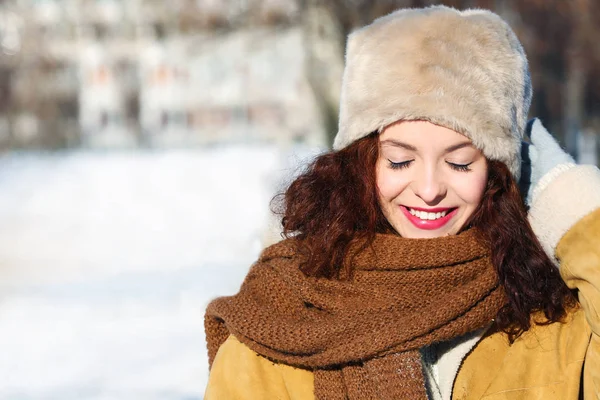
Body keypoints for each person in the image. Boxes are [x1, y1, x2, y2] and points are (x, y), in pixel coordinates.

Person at [204, 5, 600, 399]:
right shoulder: (284, 314)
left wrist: (576, 208)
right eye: (400, 160)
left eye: (460, 163)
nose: (429, 189)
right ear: (361, 162)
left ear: (496, 172)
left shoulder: (546, 310)